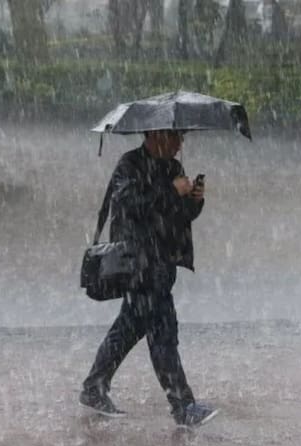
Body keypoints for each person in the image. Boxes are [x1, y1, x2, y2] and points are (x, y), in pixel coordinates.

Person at [79, 129, 219, 428]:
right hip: (139, 265)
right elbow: (130, 206)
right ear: (157, 135)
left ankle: (94, 387)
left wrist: (193, 201)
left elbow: (179, 215)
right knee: (163, 334)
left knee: (128, 329)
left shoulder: (173, 167)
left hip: (162, 263)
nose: (181, 143)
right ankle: (183, 405)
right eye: (176, 136)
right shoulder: (129, 165)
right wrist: (171, 191)